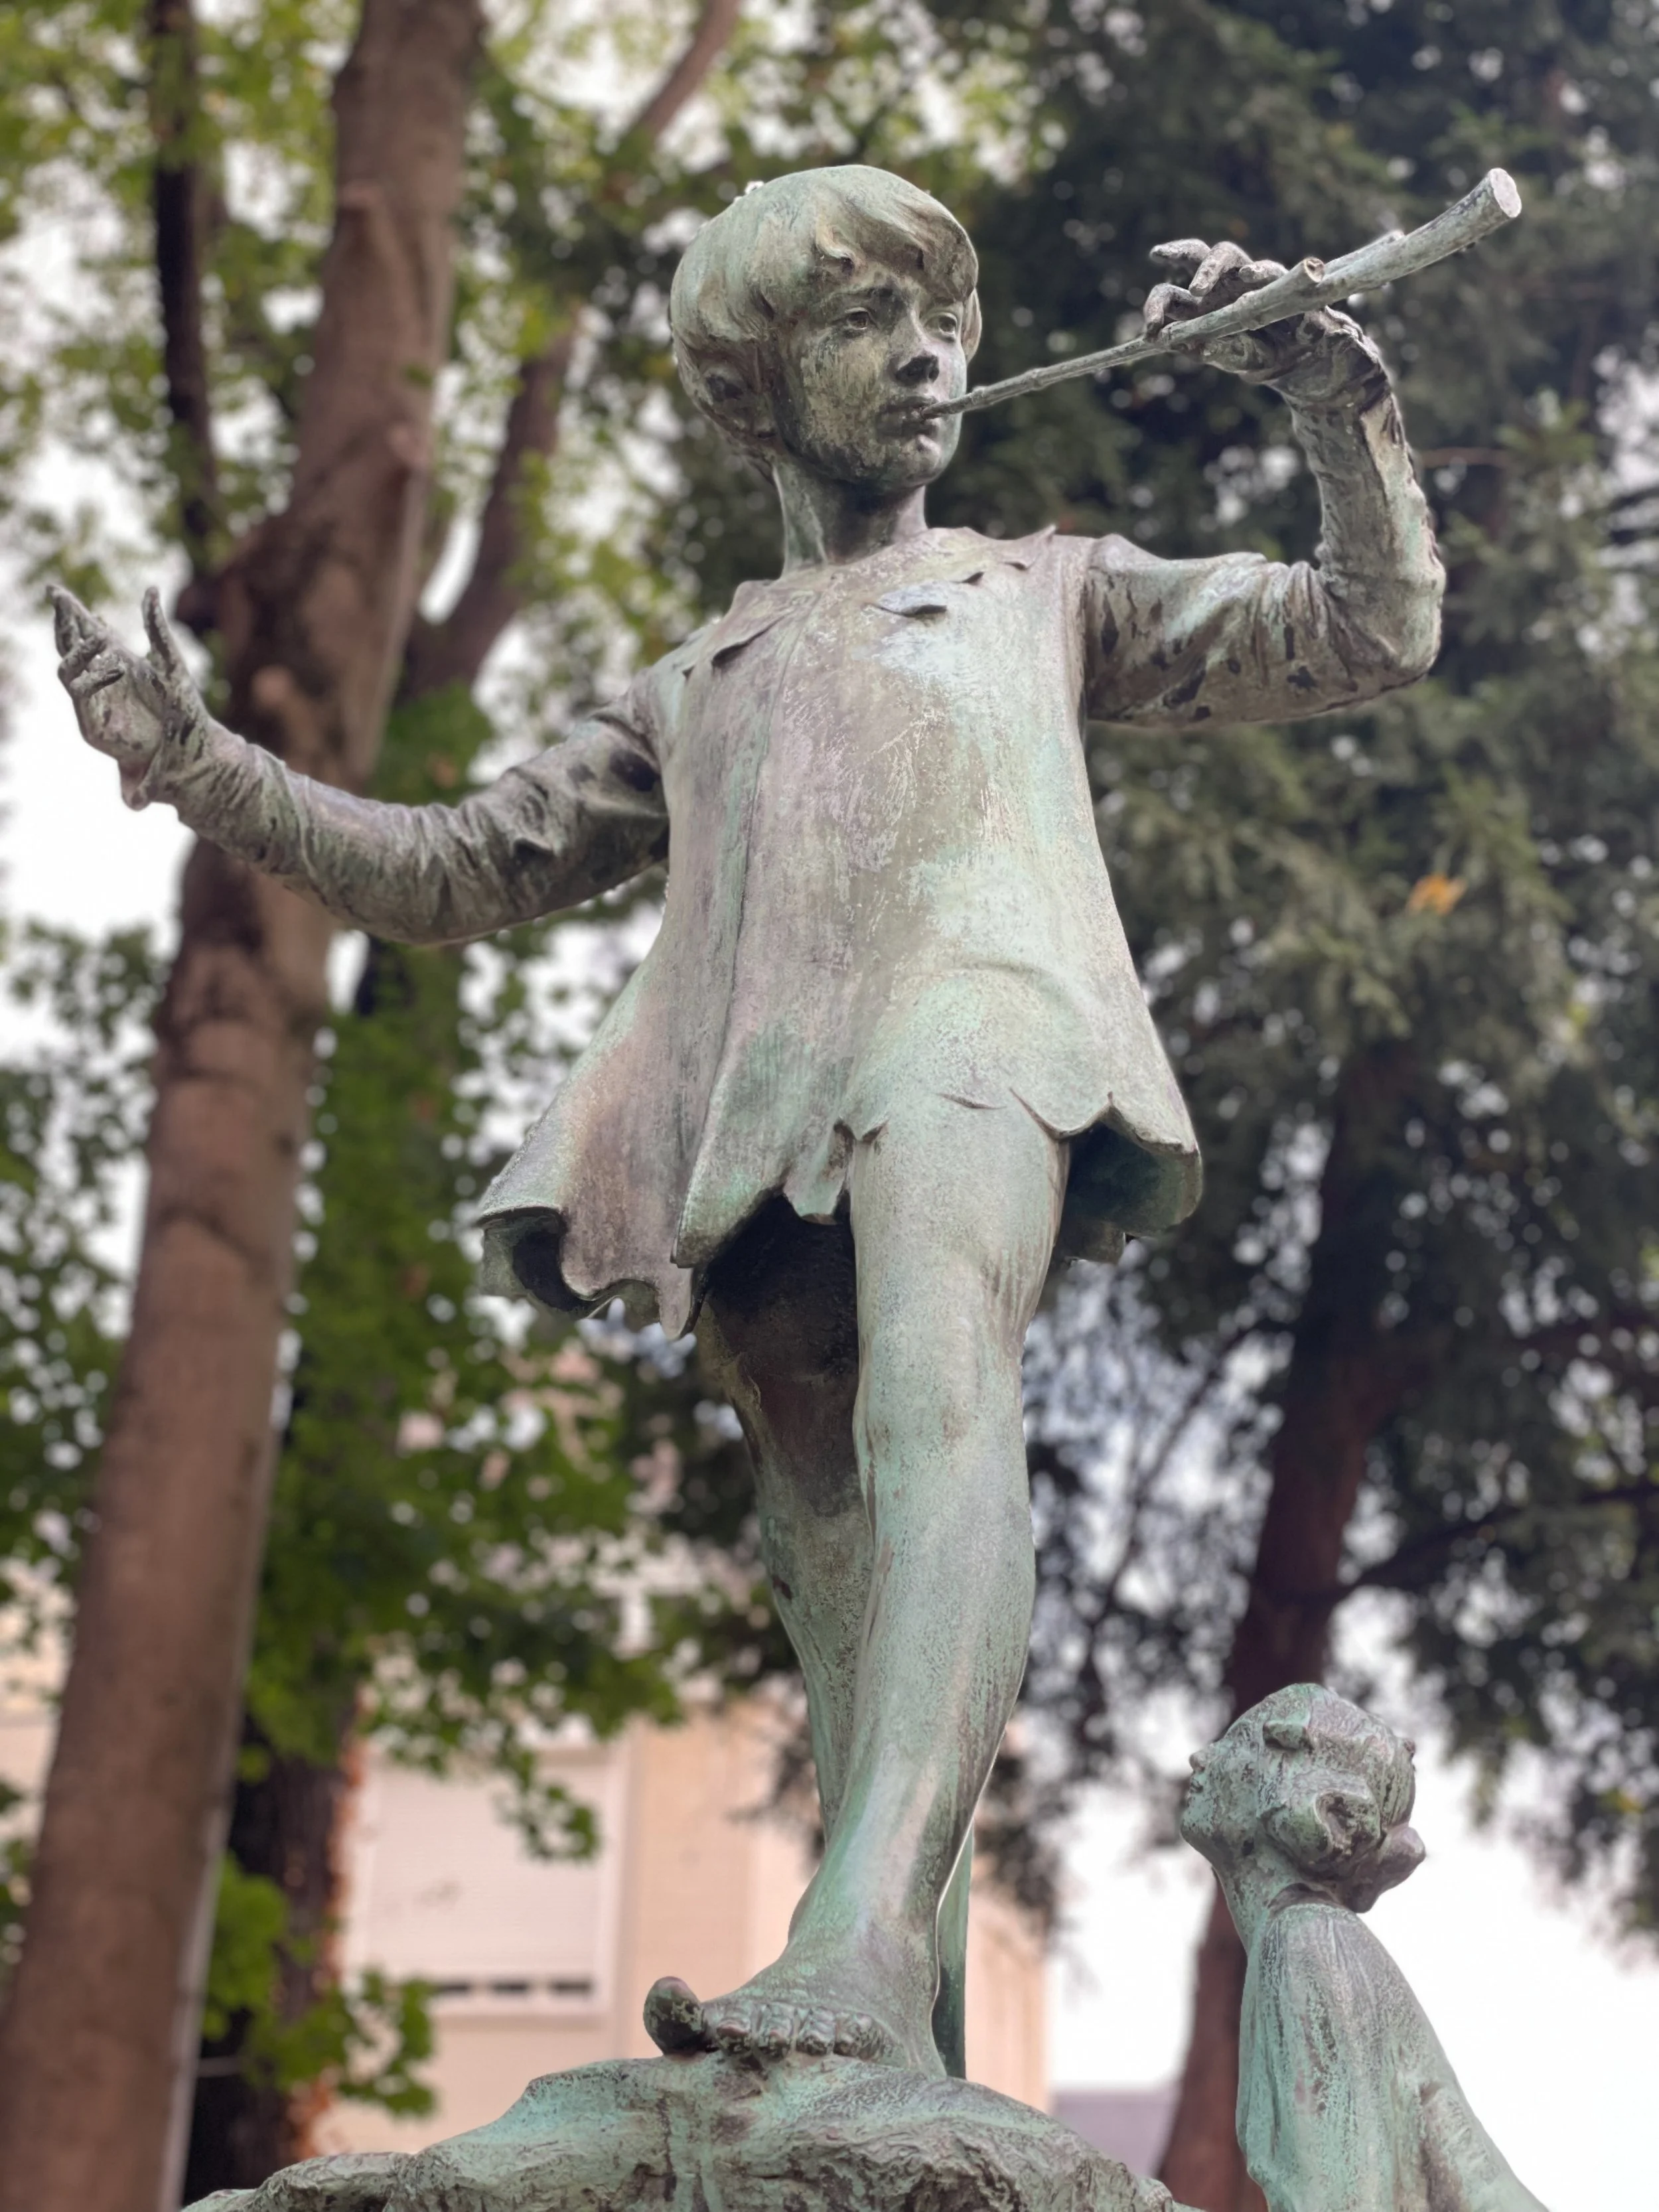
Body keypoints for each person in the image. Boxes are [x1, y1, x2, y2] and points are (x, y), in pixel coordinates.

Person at [52, 166, 1443, 2079]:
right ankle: (889, 2016)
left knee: (938, 1382)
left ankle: (856, 1930)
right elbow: (452, 865)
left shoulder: (1042, 589)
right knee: (830, 1550)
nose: (928, 354)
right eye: (865, 326)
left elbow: (1366, 628)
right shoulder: (696, 680)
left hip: (984, 1041)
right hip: (762, 1100)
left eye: (941, 319)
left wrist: (1328, 399)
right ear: (753, 392)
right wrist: (199, 763)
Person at [1181, 1686, 1550, 2212]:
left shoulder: (1307, 1942)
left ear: (1299, 1795)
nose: (1204, 1755)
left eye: (1239, 1743)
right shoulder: (1308, 1937)